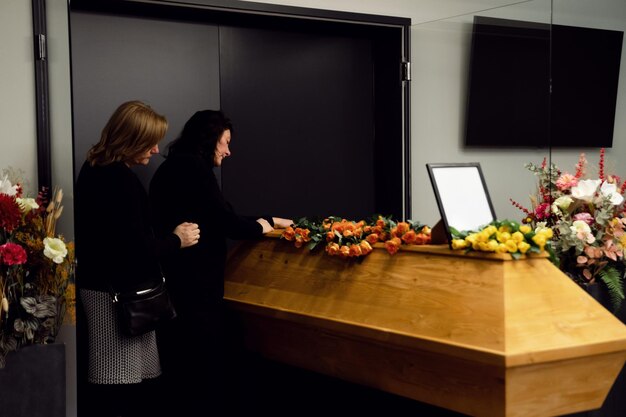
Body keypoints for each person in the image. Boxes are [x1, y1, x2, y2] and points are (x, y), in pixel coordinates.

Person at [149, 109, 292, 414]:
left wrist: (267, 220)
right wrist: (260, 226)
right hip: (194, 289)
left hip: (179, 286)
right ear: (209, 139)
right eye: (225, 142)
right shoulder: (193, 168)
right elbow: (224, 220)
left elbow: (216, 216)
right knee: (202, 369)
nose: (229, 151)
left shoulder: (177, 166)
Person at [74, 100, 200, 417]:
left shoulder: (94, 169)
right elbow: (132, 249)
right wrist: (177, 240)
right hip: (116, 296)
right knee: (120, 387)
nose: (156, 150)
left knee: (124, 382)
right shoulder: (119, 181)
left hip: (108, 290)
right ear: (130, 140)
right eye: (149, 142)